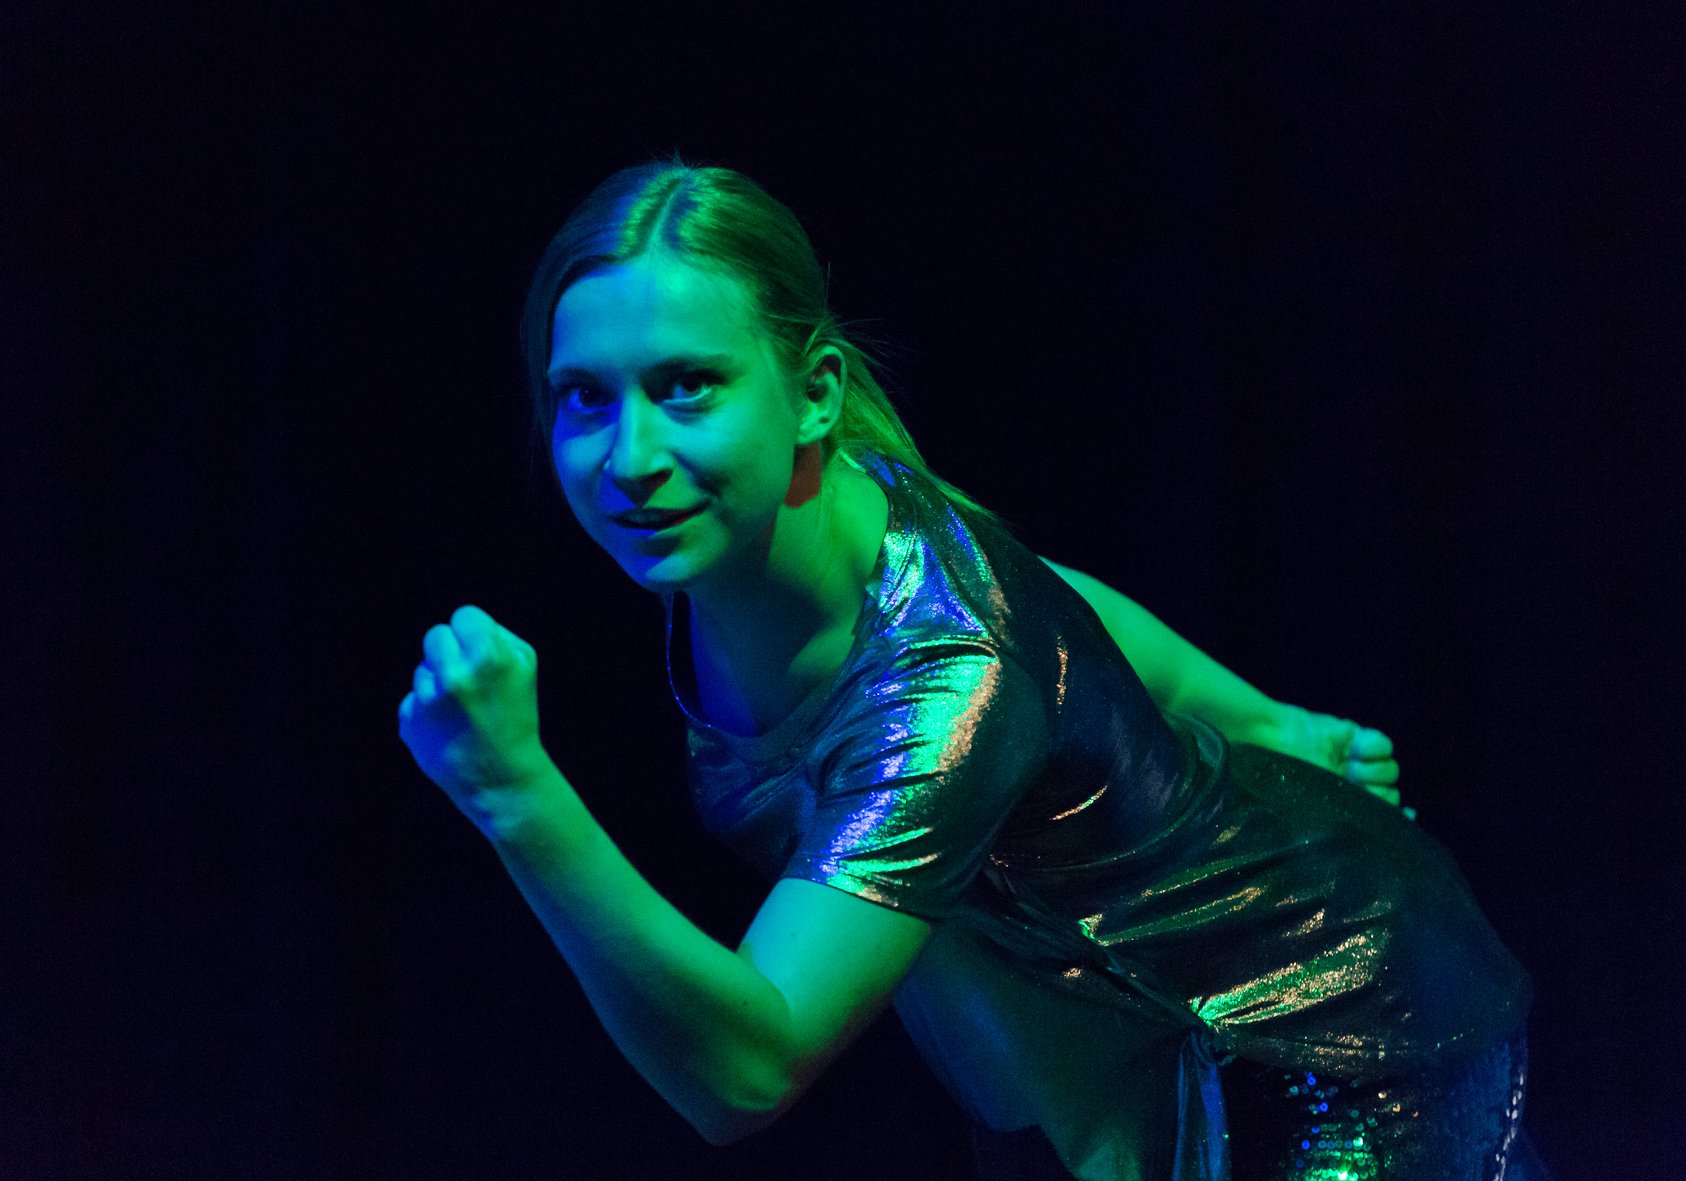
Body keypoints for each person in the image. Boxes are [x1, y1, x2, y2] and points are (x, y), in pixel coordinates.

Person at [397, 159, 1535, 1180]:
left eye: (688, 384)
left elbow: (747, 1071)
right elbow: (1043, 591)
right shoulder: (846, 508)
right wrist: (1255, 714)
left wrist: (515, 794)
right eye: (585, 397)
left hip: (1328, 1033)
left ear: (813, 393)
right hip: (1105, 1042)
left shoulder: (941, 677)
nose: (629, 457)